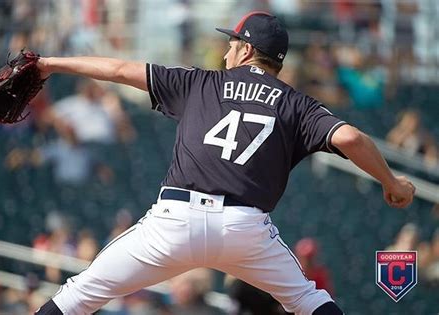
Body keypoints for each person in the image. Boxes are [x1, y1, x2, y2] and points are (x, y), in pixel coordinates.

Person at [34, 11, 415, 315]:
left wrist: (49, 64)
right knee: (308, 301)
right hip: (243, 230)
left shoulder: (200, 83)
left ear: (247, 50)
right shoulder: (297, 103)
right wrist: (391, 183)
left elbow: (118, 71)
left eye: (232, 43)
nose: (227, 50)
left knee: (78, 296)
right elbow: (350, 138)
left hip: (175, 222)